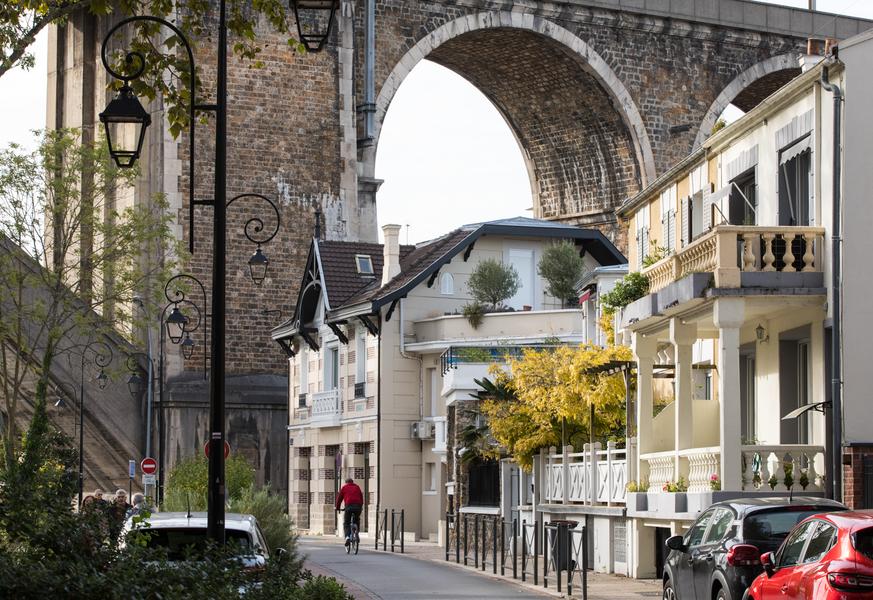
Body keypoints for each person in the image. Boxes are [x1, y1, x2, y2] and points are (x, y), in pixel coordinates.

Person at [334, 478, 363, 546]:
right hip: (358, 506)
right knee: (357, 520)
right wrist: (360, 506)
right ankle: (356, 533)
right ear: (352, 482)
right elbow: (361, 497)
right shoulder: (357, 487)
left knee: (346, 523)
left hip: (349, 506)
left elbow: (339, 498)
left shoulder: (344, 487)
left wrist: (337, 508)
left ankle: (347, 537)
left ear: (346, 483)